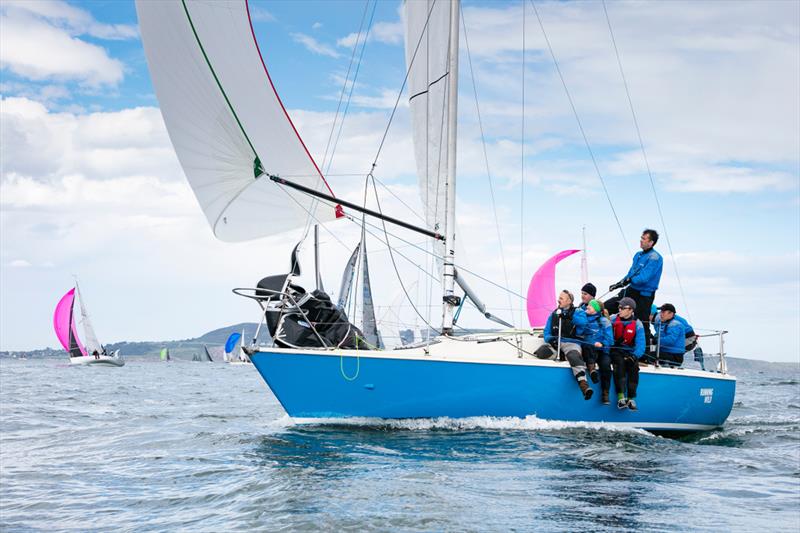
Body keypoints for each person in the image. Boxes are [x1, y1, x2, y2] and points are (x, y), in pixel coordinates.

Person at [606, 229, 663, 347]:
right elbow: (631, 273)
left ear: (651, 242)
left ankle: (645, 355)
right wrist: (619, 283)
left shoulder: (655, 257)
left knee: (643, 321)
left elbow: (645, 277)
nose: (641, 241)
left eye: (644, 239)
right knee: (607, 307)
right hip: (631, 290)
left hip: (644, 294)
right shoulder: (638, 255)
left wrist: (630, 280)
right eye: (641, 238)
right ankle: (608, 340)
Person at [537, 290, 593, 400]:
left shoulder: (578, 311)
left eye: (561, 298)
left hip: (571, 342)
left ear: (569, 301)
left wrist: (569, 316)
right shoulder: (554, 314)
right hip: (556, 342)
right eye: (559, 297)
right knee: (542, 352)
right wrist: (550, 339)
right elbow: (546, 332)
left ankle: (584, 385)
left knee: (573, 356)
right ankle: (562, 357)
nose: (558, 300)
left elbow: (583, 323)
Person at [609, 297, 645, 410]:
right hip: (615, 350)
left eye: (622, 308)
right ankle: (621, 397)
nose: (619, 309)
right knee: (619, 365)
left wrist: (635, 356)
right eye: (619, 307)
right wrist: (613, 342)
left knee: (634, 368)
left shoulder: (638, 324)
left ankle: (631, 398)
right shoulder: (612, 319)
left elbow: (641, 344)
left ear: (630, 310)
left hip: (630, 351)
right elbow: (604, 334)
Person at [582, 299, 614, 404]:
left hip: (602, 350)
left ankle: (605, 393)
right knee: (587, 350)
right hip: (589, 348)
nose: (587, 307)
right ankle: (592, 372)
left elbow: (610, 340)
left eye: (590, 306)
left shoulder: (604, 321)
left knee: (606, 366)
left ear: (595, 309)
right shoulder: (584, 318)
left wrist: (602, 344)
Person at [651, 303, 686, 367]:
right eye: (661, 311)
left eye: (663, 312)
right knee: (648, 354)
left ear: (671, 314)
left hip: (675, 356)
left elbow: (670, 340)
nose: (661, 314)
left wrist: (655, 341)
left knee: (648, 355)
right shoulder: (664, 324)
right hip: (666, 353)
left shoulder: (675, 325)